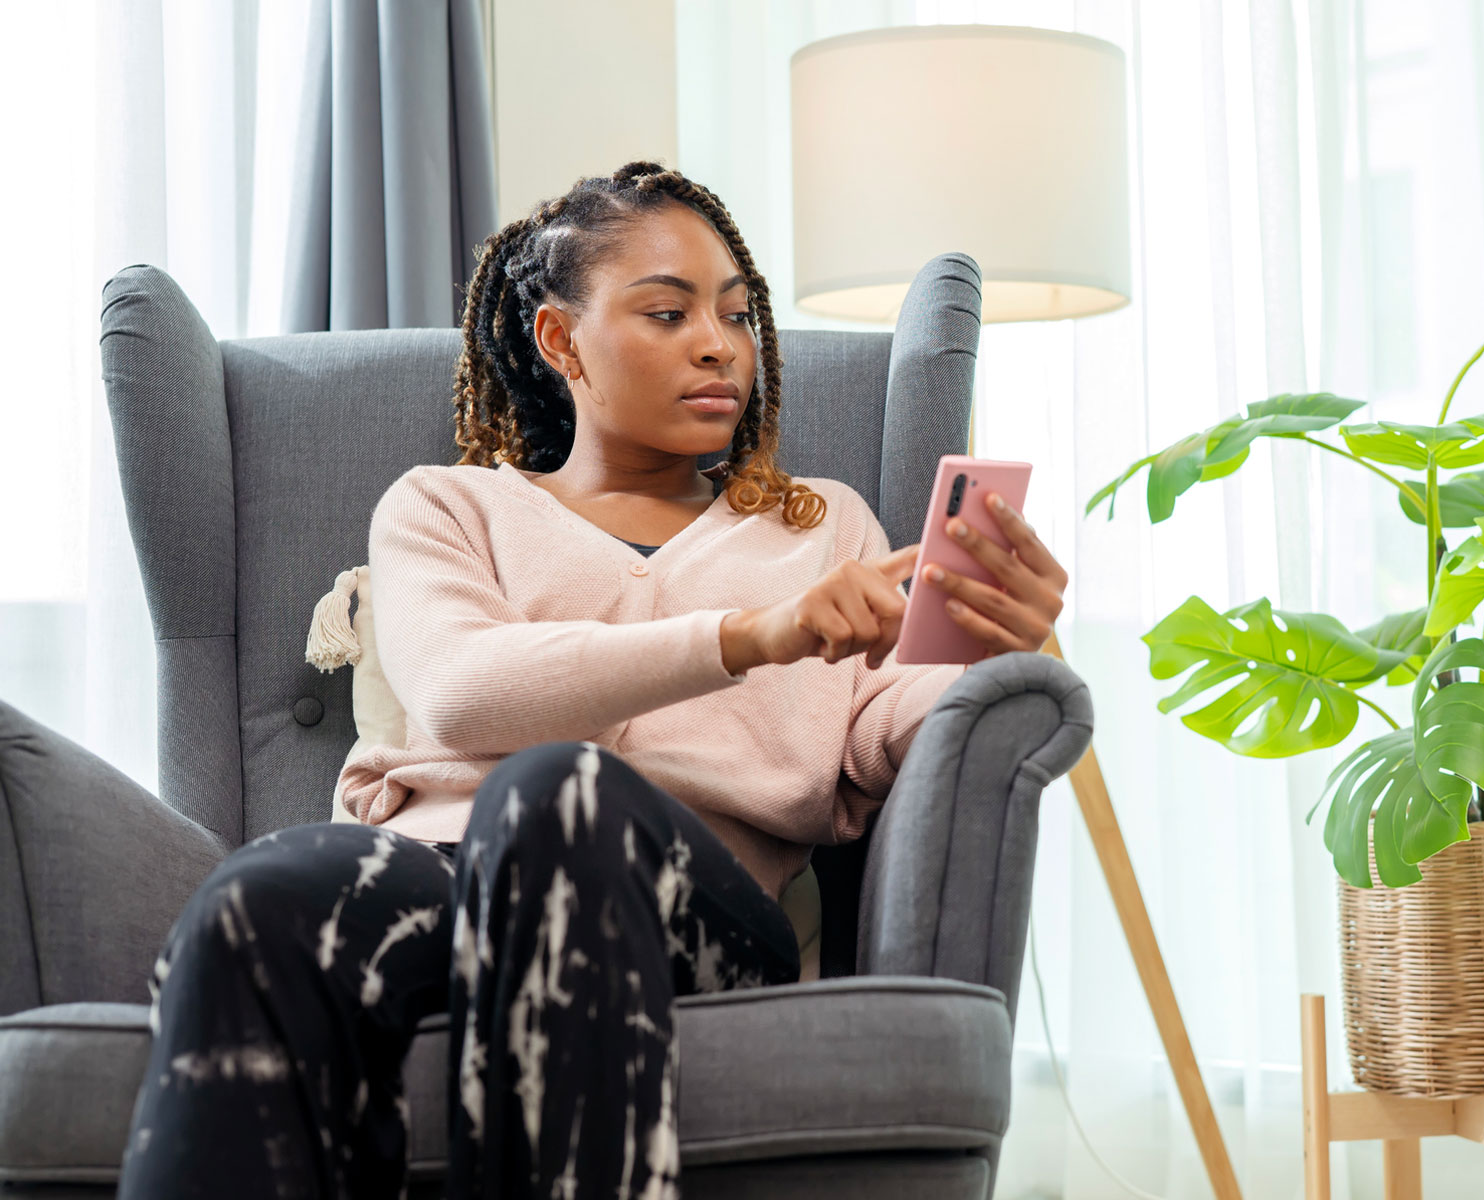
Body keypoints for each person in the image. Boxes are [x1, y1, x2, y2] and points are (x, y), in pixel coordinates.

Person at [116, 161, 1069, 1200]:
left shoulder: (818, 525)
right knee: (255, 902)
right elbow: (463, 693)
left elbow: (887, 728)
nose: (718, 343)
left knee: (553, 797)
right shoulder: (446, 509)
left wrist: (1006, 647)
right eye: (667, 312)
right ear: (560, 341)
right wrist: (758, 634)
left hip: (689, 904)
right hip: (434, 874)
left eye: (737, 315)